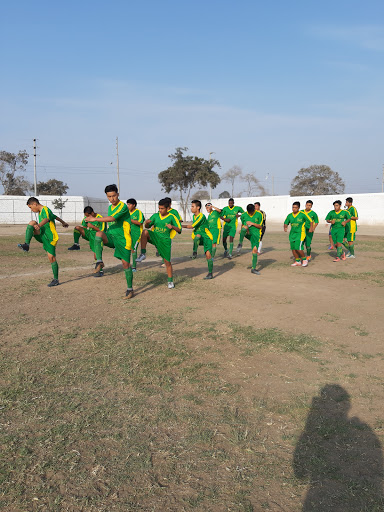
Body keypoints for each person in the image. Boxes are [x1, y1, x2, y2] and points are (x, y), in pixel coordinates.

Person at [91, 184, 134, 298]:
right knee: (99, 233)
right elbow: (110, 222)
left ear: (118, 194)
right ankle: (99, 262)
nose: (112, 199)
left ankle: (130, 289)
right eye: (109, 197)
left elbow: (112, 218)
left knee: (125, 264)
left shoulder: (123, 207)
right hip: (111, 236)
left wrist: (95, 218)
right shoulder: (110, 207)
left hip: (123, 239)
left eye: (114, 196)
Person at [17, 197, 69, 287]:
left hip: (50, 238)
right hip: (42, 235)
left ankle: (56, 279)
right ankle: (26, 244)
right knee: (32, 222)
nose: (31, 210)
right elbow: (54, 216)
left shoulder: (45, 209)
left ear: (34, 204)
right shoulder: (43, 211)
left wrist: (39, 225)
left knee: (51, 258)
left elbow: (47, 219)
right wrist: (63, 222)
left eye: (30, 207)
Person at [136, 198, 182, 288]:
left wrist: (172, 226)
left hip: (165, 240)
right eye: (159, 208)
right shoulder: (156, 215)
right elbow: (147, 226)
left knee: (167, 262)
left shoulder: (172, 217)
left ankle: (170, 281)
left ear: (167, 208)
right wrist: (147, 223)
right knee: (145, 232)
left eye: (162, 208)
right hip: (156, 237)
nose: (160, 210)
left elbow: (179, 230)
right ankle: (143, 254)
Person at [68, 206, 106, 275]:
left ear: (92, 212)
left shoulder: (101, 218)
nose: (87, 217)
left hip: (97, 238)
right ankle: (76, 245)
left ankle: (100, 270)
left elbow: (103, 232)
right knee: (77, 228)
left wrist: (93, 226)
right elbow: (85, 227)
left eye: (88, 215)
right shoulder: (86, 218)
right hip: (89, 235)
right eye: (86, 216)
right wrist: (85, 226)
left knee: (96, 256)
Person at [183, 200, 214, 279]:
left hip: (207, 237)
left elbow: (192, 226)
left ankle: (210, 273)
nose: (191, 208)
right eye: (191, 206)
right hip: (199, 237)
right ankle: (194, 252)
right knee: (197, 236)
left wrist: (179, 225)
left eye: (192, 206)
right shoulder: (194, 216)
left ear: (198, 207)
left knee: (208, 256)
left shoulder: (201, 216)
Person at [284, 201, 313, 267]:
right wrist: (285, 227)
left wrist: (311, 228)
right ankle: (297, 261)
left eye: (295, 207)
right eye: (293, 207)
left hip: (300, 233)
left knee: (298, 248)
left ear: (298, 208)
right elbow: (286, 222)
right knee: (293, 248)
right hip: (292, 234)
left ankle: (304, 260)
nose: (294, 209)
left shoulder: (302, 214)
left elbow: (311, 221)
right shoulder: (290, 215)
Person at [239, 203, 263, 275]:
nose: (250, 213)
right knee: (244, 228)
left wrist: (252, 223)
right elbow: (243, 224)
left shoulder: (259, 214)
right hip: (248, 233)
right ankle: (240, 243)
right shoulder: (243, 215)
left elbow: (260, 226)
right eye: (249, 212)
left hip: (256, 235)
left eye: (251, 212)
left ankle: (253, 268)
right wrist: (242, 230)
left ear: (254, 210)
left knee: (255, 250)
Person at [126, 198, 145, 272]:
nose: (128, 206)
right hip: (127, 233)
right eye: (127, 204)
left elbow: (140, 222)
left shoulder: (138, 212)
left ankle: (134, 267)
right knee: (126, 248)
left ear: (134, 205)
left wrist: (130, 220)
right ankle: (127, 265)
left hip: (136, 234)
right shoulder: (127, 213)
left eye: (129, 204)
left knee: (133, 249)